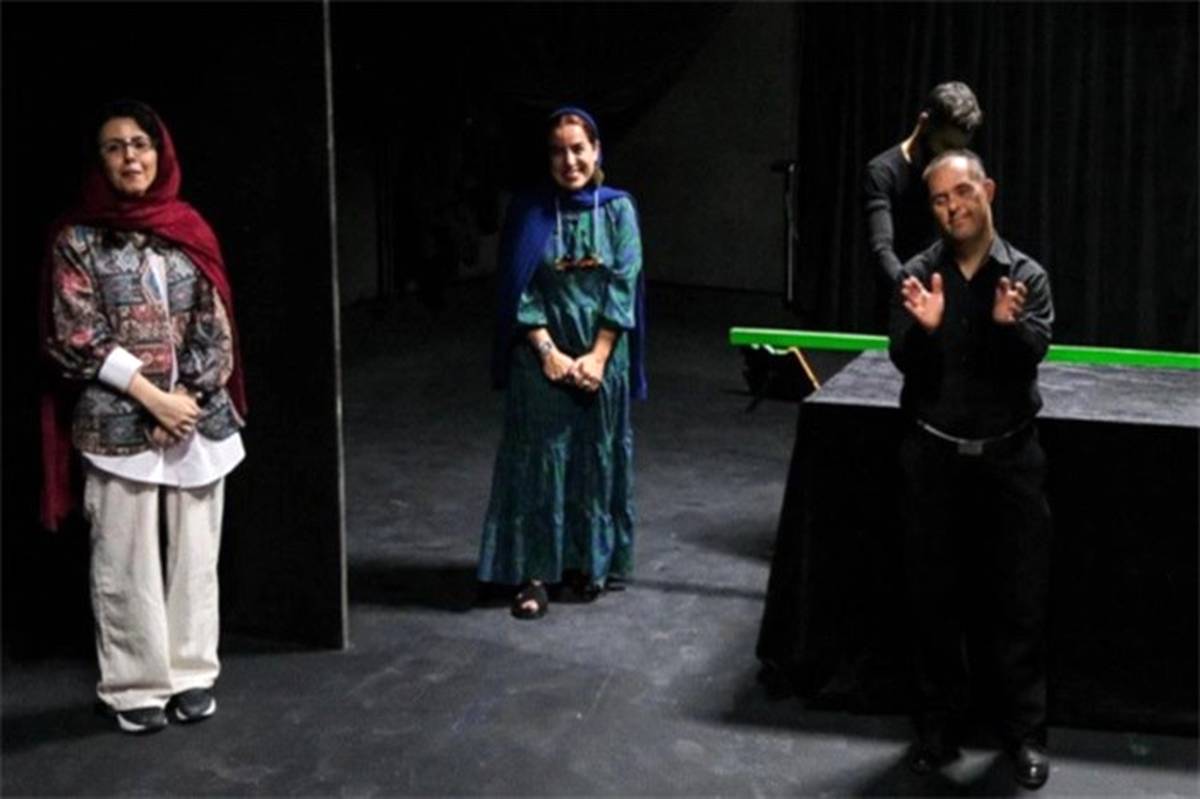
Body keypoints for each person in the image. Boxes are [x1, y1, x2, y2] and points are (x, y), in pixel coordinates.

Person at [40, 99, 247, 734]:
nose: (130, 156)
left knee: (195, 557)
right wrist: (152, 399)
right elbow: (76, 334)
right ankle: (134, 686)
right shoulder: (78, 240)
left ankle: (191, 673)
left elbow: (217, 327)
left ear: (160, 153)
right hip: (115, 421)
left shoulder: (189, 229)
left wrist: (186, 401)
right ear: (100, 161)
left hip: (197, 419)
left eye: (141, 144)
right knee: (124, 561)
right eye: (115, 147)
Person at [889, 149, 1054, 790]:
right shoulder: (918, 274)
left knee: (1019, 603)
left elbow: (1032, 354)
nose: (952, 207)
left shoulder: (1025, 276)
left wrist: (1008, 329)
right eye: (939, 199)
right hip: (934, 461)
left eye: (962, 192)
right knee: (933, 601)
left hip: (1009, 463)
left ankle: (1024, 736)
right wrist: (927, 332)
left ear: (988, 190)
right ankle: (937, 732)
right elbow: (902, 358)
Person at [478, 106, 646, 620]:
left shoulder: (618, 210)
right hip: (541, 361)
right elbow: (519, 288)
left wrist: (597, 356)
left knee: (595, 460)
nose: (569, 160)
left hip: (602, 361)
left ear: (596, 151)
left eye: (578, 149)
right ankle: (534, 575)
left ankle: (585, 563)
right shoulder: (530, 211)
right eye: (558, 151)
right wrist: (549, 353)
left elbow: (624, 283)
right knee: (540, 465)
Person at [864, 81, 983, 327]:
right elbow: (882, 249)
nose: (951, 158)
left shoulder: (960, 170)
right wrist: (915, 294)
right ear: (924, 123)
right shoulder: (883, 172)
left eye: (959, 150)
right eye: (946, 146)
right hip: (901, 306)